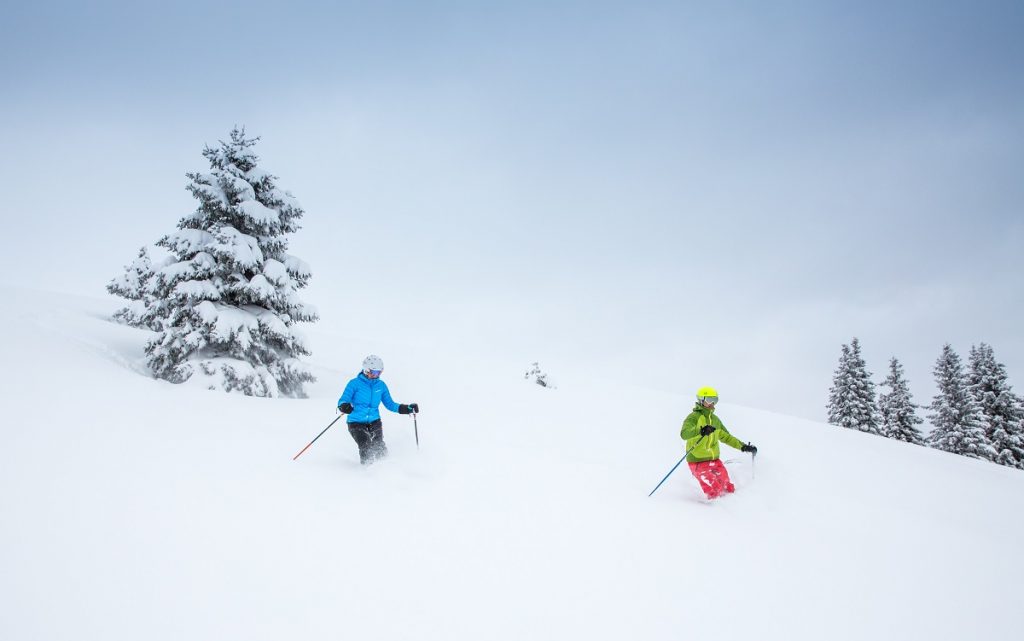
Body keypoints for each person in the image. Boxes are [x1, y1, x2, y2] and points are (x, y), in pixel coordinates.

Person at [337, 355, 418, 465]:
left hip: (374, 421)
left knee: (379, 445)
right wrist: (344, 406)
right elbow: (343, 399)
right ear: (366, 370)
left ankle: (386, 467)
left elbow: (390, 404)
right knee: (365, 444)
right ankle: (367, 470)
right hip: (356, 423)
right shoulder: (354, 384)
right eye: (374, 372)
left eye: (379, 372)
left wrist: (407, 408)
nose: (377, 375)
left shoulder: (381, 386)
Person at [680, 386, 757, 500]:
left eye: (714, 400)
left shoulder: (715, 420)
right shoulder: (693, 418)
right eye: (709, 400)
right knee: (715, 491)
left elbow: (727, 437)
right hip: (697, 460)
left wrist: (743, 446)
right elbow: (684, 434)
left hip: (714, 460)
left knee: (728, 488)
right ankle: (715, 513)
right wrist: (700, 431)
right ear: (701, 399)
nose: (712, 404)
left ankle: (736, 509)